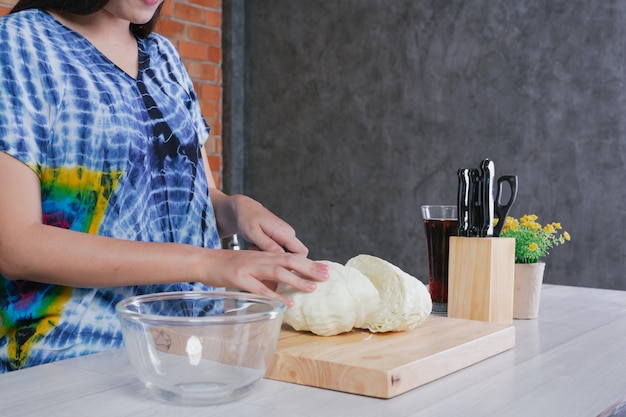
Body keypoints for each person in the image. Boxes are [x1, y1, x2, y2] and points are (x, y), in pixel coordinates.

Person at [0, 0, 329, 373]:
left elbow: (198, 198)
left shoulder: (164, 57)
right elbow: (16, 246)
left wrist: (235, 208)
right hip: (67, 366)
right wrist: (206, 262)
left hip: (191, 353)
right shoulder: (19, 43)